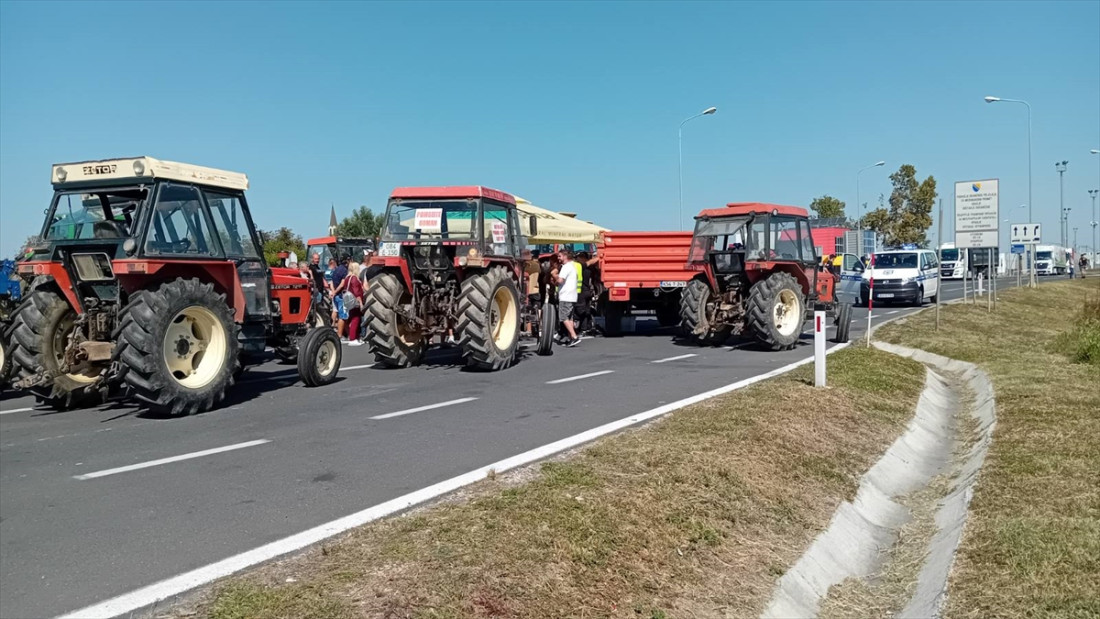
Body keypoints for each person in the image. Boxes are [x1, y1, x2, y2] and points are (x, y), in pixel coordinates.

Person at [553, 249, 580, 347]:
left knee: (563, 317)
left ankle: (574, 336)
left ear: (565, 256)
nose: (558, 258)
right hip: (572, 296)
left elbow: (560, 280)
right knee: (569, 318)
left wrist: (555, 277)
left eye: (560, 256)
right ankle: (570, 337)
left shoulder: (566, 267)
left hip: (566, 296)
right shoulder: (573, 266)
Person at [338, 262, 366, 345]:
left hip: (348, 300)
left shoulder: (347, 278)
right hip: (354, 301)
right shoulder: (354, 278)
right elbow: (356, 291)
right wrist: (360, 302)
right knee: (356, 319)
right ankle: (353, 339)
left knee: (352, 318)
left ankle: (355, 337)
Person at [329, 257, 349, 339]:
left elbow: (332, 282)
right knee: (343, 316)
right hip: (341, 296)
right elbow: (342, 283)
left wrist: (333, 292)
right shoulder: (344, 270)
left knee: (338, 312)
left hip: (336, 296)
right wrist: (336, 292)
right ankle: (339, 335)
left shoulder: (335, 270)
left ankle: (348, 334)